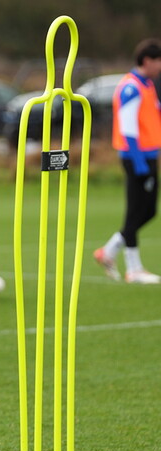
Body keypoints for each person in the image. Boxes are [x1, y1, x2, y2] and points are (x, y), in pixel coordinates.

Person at [94, 38, 161, 284]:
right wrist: (138, 160)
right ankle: (134, 269)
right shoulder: (131, 87)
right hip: (137, 157)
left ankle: (108, 251)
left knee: (149, 211)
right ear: (147, 60)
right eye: (158, 60)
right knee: (135, 212)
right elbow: (129, 127)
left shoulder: (148, 86)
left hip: (150, 155)